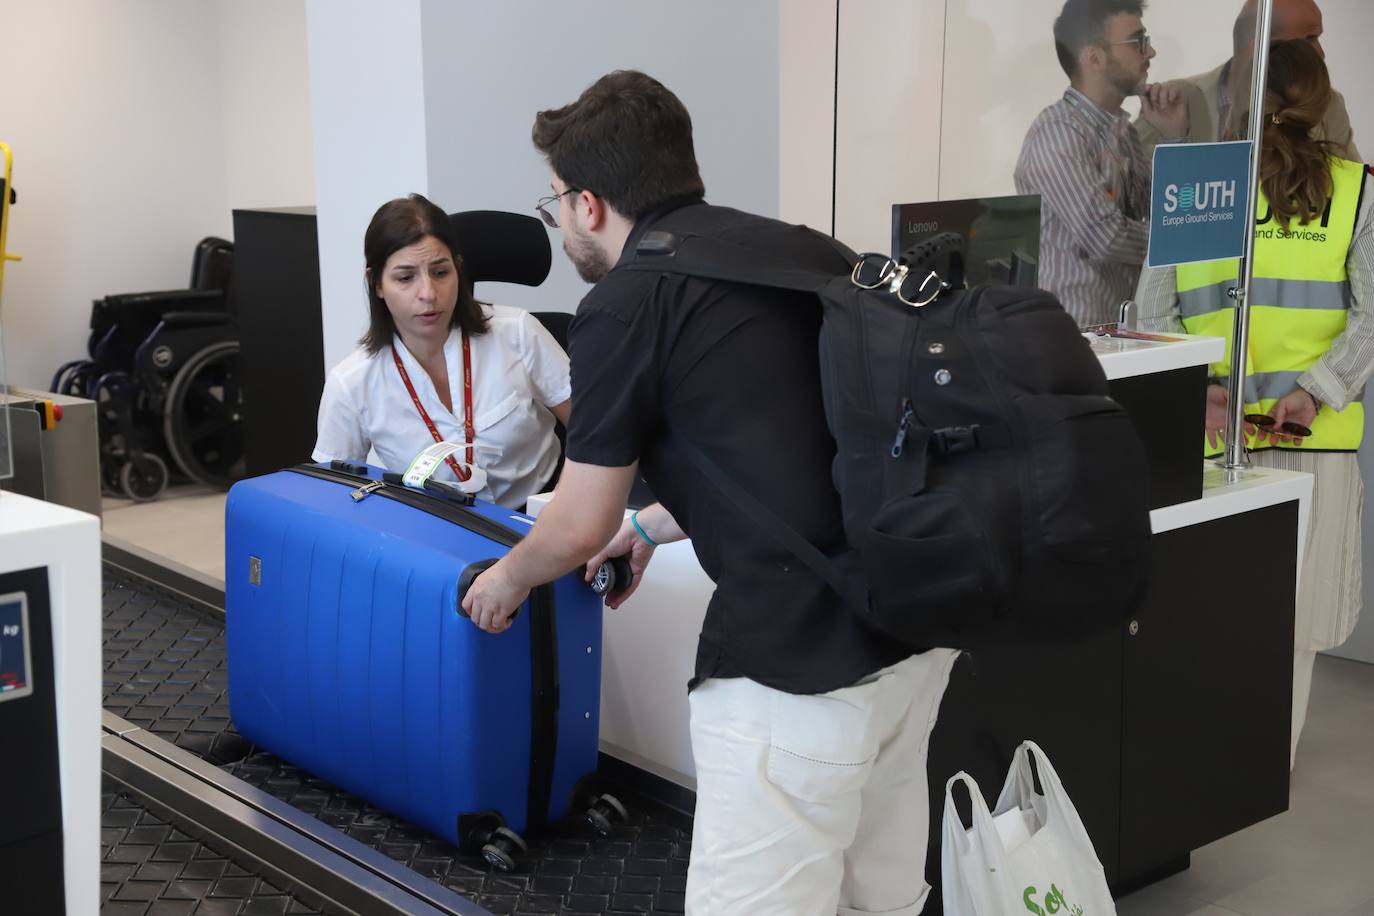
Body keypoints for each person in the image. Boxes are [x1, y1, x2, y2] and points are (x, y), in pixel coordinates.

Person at [462, 70, 959, 915]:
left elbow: (578, 521)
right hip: (912, 632)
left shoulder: (625, 303)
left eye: (555, 205)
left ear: (588, 204)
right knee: (881, 900)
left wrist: (505, 579)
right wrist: (650, 530)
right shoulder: (803, 249)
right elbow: (787, 446)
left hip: (794, 671)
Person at [1135, 39, 1373, 768]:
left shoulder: (1196, 182)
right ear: (1322, 101)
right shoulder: (1356, 188)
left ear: (1236, 100)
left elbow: (1151, 308)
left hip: (1208, 439)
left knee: (1203, 609)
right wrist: (1315, 392)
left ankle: (1195, 773)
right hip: (1314, 441)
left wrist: (1198, 390)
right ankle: (1266, 767)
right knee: (1294, 624)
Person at [313, 194, 571, 509]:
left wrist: (564, 505)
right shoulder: (351, 383)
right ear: (376, 283)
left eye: (440, 273)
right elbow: (335, 498)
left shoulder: (517, 332)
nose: (428, 294)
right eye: (405, 277)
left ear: (458, 270)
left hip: (542, 514)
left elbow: (593, 431)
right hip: (435, 530)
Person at [1014, 0, 1188, 327]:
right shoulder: (1058, 133)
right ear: (1094, 57)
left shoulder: (1122, 131)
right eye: (1138, 42)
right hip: (1074, 336)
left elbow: (1166, 211)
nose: (1150, 53)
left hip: (1115, 334)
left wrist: (1174, 139)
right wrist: (1184, 239)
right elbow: (1107, 238)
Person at [1135, 0, 1359, 160]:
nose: (1320, 53)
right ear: (1258, 44)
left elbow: (1355, 198)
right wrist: (1175, 140)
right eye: (1310, 38)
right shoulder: (1170, 99)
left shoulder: (1328, 104)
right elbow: (1126, 189)